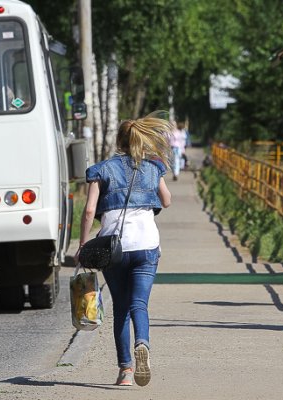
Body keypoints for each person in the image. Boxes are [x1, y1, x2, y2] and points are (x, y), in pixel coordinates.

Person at [76, 113, 172, 387]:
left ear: (118, 141)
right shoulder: (153, 168)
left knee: (121, 309)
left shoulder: (102, 169)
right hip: (146, 246)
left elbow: (90, 210)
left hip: (114, 249)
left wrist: (83, 246)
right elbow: (166, 201)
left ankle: (126, 371)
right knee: (139, 304)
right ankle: (143, 342)